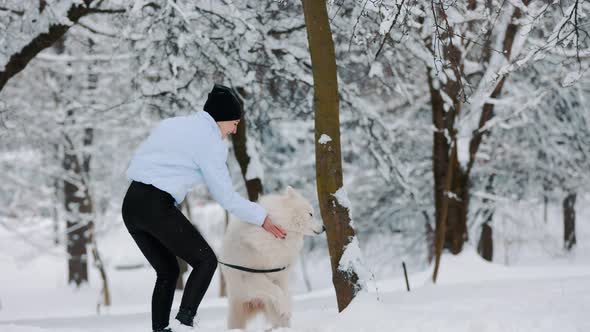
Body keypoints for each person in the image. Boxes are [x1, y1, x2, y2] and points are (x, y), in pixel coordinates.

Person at [121, 84, 287, 332]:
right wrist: (261, 217)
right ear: (221, 118)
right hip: (156, 205)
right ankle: (183, 325)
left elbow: (144, 160)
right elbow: (227, 198)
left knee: (167, 270)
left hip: (131, 205)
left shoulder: (173, 124)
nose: (234, 129)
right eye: (234, 122)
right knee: (206, 261)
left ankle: (161, 329)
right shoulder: (210, 142)